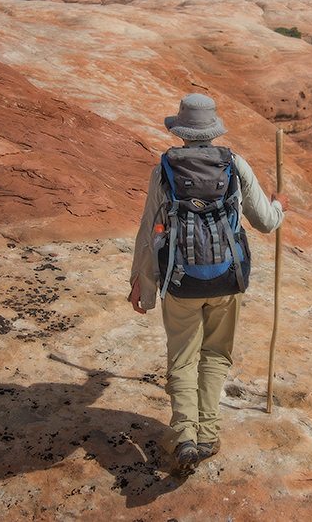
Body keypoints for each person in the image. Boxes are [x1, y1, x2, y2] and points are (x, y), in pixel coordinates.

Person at [127, 93, 288, 477]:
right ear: (213, 130)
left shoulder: (163, 170)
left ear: (181, 132)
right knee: (216, 354)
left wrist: (141, 284)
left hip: (179, 280)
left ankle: (184, 435)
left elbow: (150, 230)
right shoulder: (234, 165)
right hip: (226, 279)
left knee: (182, 357)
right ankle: (208, 435)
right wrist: (279, 204)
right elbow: (266, 222)